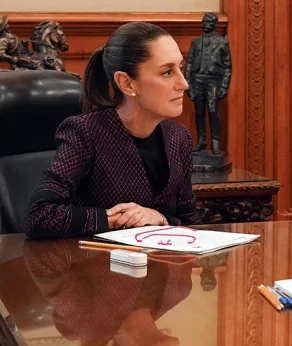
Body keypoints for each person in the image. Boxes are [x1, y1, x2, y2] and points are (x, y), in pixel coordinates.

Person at [23, 22, 201, 239]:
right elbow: (39, 216)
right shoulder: (85, 132)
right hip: (94, 267)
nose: (184, 84)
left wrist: (160, 218)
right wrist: (116, 219)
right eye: (167, 72)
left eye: (179, 69)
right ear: (126, 83)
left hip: (160, 268)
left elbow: (191, 226)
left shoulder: (178, 137)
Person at [22, 240, 192, 346]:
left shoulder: (84, 320)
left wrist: (121, 238)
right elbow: (185, 228)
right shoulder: (179, 289)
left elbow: (42, 255)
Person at [185, 13, 231, 155]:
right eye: (203, 21)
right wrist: (188, 84)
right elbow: (189, 62)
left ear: (214, 24)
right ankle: (201, 141)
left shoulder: (222, 43)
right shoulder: (196, 42)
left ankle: (215, 142)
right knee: (199, 112)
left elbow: (227, 66)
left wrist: (224, 86)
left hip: (213, 81)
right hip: (197, 79)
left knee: (212, 111)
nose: (204, 24)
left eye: (207, 22)